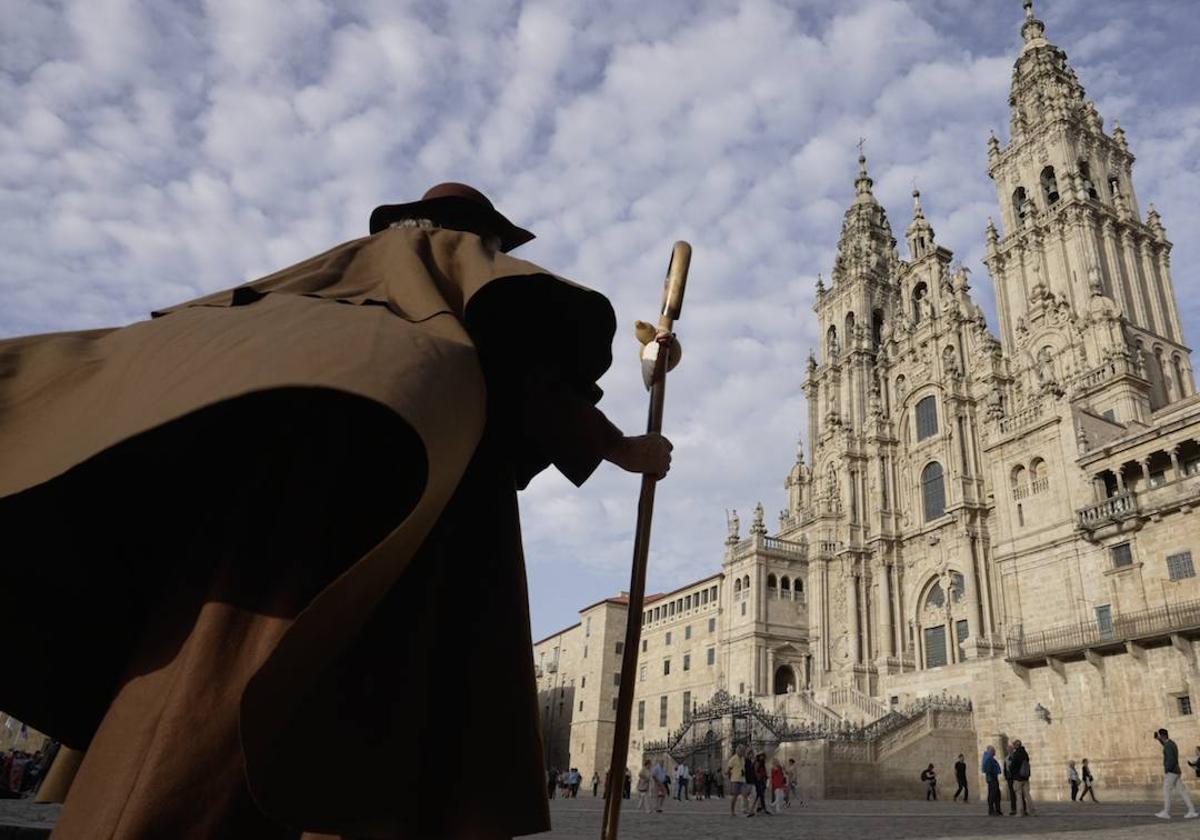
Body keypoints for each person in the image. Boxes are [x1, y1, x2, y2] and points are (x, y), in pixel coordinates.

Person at [0, 183, 674, 838]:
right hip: (406, 515)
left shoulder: (320, 277)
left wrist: (649, 362)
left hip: (257, 524)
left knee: (205, 704)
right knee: (378, 714)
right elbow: (531, 366)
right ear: (480, 234)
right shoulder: (459, 266)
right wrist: (618, 444)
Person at [1154, 728, 1198, 819]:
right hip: (1176, 771)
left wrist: (1167, 769)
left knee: (1166, 791)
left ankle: (1166, 812)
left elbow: (1171, 759)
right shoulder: (1171, 743)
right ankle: (1192, 810)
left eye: (1160, 736)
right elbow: (1165, 745)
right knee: (1182, 792)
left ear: (1163, 736)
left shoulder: (1168, 746)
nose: (1159, 737)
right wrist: (1158, 740)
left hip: (1171, 772)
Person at [1010, 739, 1034, 816]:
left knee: (1019, 795)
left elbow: (1013, 766)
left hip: (1018, 778)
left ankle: (1020, 812)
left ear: (1016, 746)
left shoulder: (1016, 754)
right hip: (1025, 777)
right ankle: (1032, 811)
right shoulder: (1025, 753)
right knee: (1027, 795)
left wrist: (1012, 772)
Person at [982, 746, 1003, 816]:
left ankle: (997, 809)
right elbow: (988, 769)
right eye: (994, 751)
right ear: (991, 751)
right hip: (992, 778)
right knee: (993, 795)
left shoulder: (989, 758)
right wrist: (993, 774)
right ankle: (991, 810)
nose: (995, 752)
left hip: (992, 778)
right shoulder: (988, 758)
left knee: (997, 794)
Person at [727, 747, 747, 816]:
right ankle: (732, 811)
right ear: (738, 751)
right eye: (742, 751)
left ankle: (745, 809)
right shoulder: (733, 759)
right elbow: (729, 769)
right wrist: (730, 777)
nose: (743, 753)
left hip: (742, 779)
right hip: (735, 779)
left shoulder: (743, 759)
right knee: (735, 796)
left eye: (743, 751)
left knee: (745, 794)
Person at [1002, 743, 1018, 815]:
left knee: (1019, 793)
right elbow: (1005, 768)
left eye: (1010, 749)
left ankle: (1022, 808)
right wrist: (1006, 777)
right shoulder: (1006, 758)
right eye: (1008, 750)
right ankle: (1013, 809)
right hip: (1010, 778)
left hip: (1016, 777)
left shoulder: (1016, 757)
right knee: (1012, 794)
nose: (1009, 751)